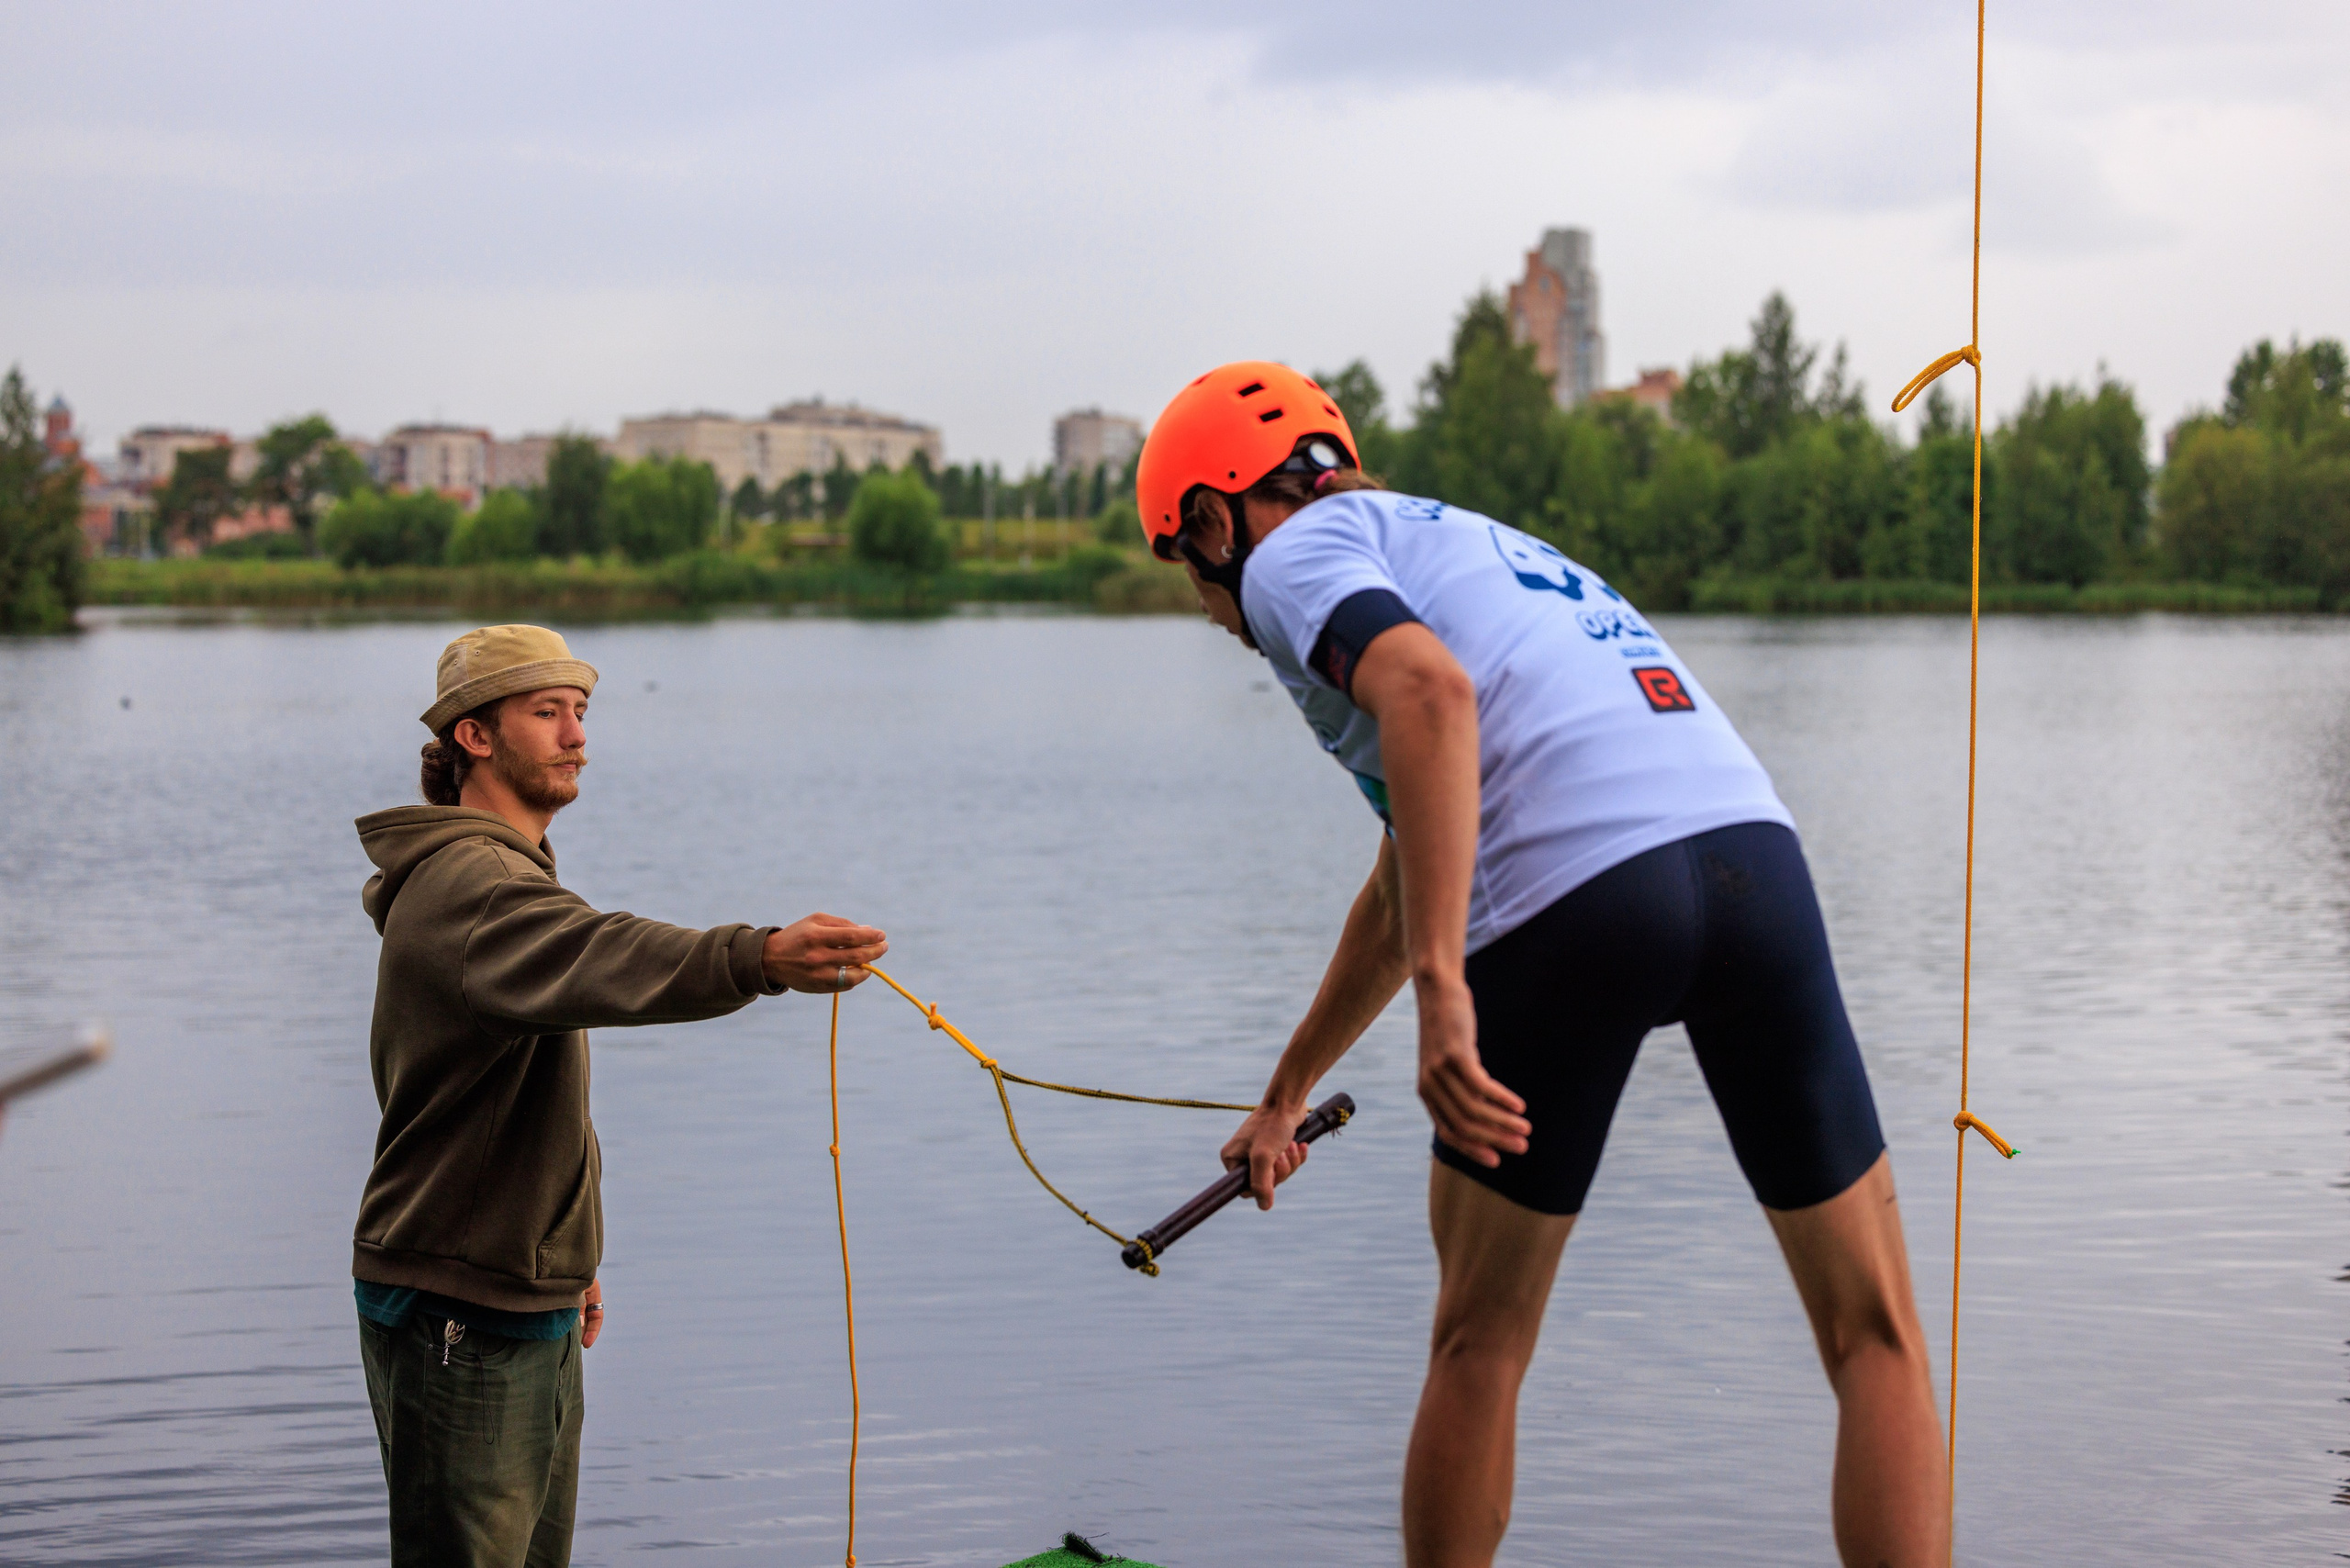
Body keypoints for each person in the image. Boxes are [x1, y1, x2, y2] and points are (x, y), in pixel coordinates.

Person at [1134, 365, 1947, 1568]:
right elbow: (1402, 865)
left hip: (1582, 901)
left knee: (1481, 1345)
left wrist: (1443, 987)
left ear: (1214, 517)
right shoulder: (1466, 545)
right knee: (1877, 1335)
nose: (1207, 607)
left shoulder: (1294, 557)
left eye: (1180, 565)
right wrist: (1287, 1092)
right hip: (1753, 867)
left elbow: (1429, 694)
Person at [351, 623, 887, 1567]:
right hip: (456, 1312)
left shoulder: (505, 875)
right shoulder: (472, 886)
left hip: (519, 1292)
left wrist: (569, 1247)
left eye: (581, 713)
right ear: (475, 736)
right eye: (545, 712)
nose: (576, 735)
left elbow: (516, 1097)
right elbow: (606, 953)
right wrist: (756, 956)